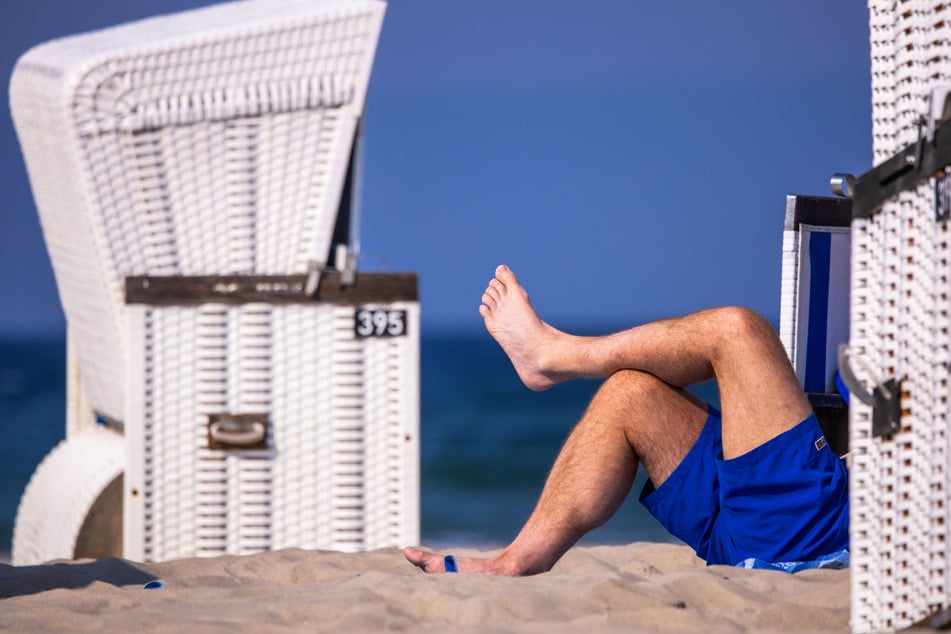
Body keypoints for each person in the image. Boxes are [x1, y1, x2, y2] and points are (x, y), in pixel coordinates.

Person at [403, 264, 849, 575]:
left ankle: (555, 355)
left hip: (809, 535)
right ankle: (517, 561)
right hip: (758, 533)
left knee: (735, 332)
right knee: (630, 395)